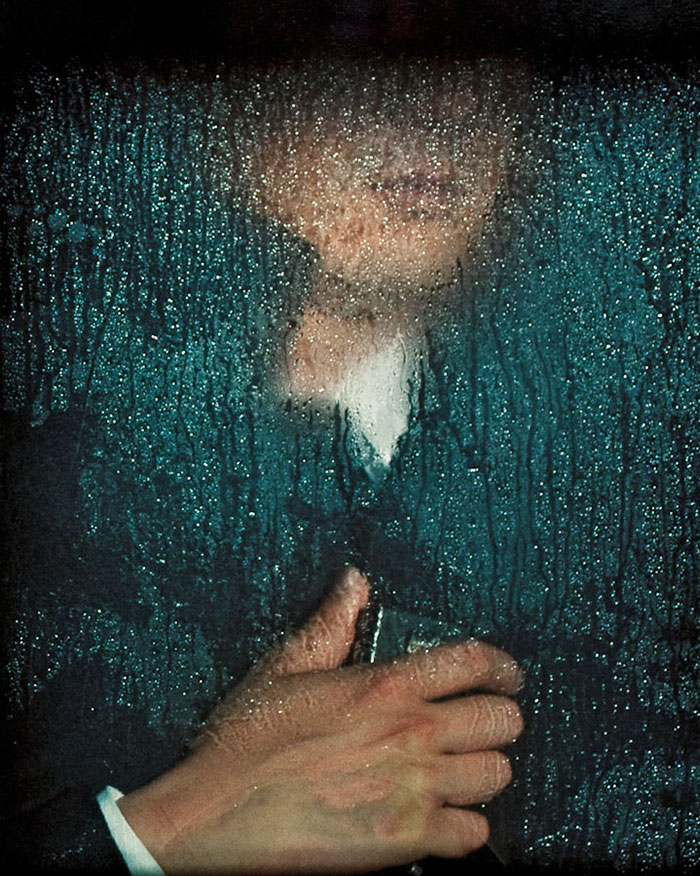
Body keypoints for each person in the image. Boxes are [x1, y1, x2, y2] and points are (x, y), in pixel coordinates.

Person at [1, 53, 530, 873]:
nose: (439, 106)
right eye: (357, 38)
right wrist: (169, 832)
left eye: (477, 49)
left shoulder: (593, 451)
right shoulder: (51, 436)